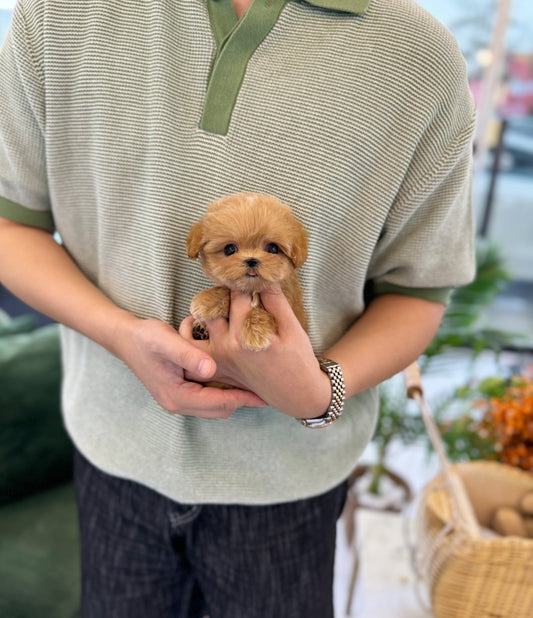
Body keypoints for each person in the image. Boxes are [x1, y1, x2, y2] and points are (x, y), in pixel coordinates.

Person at [0, 0, 476, 616]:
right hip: (111, 450)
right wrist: (121, 336)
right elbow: (14, 223)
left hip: (290, 483)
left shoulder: (419, 58)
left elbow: (418, 292)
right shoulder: (58, 14)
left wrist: (319, 392)